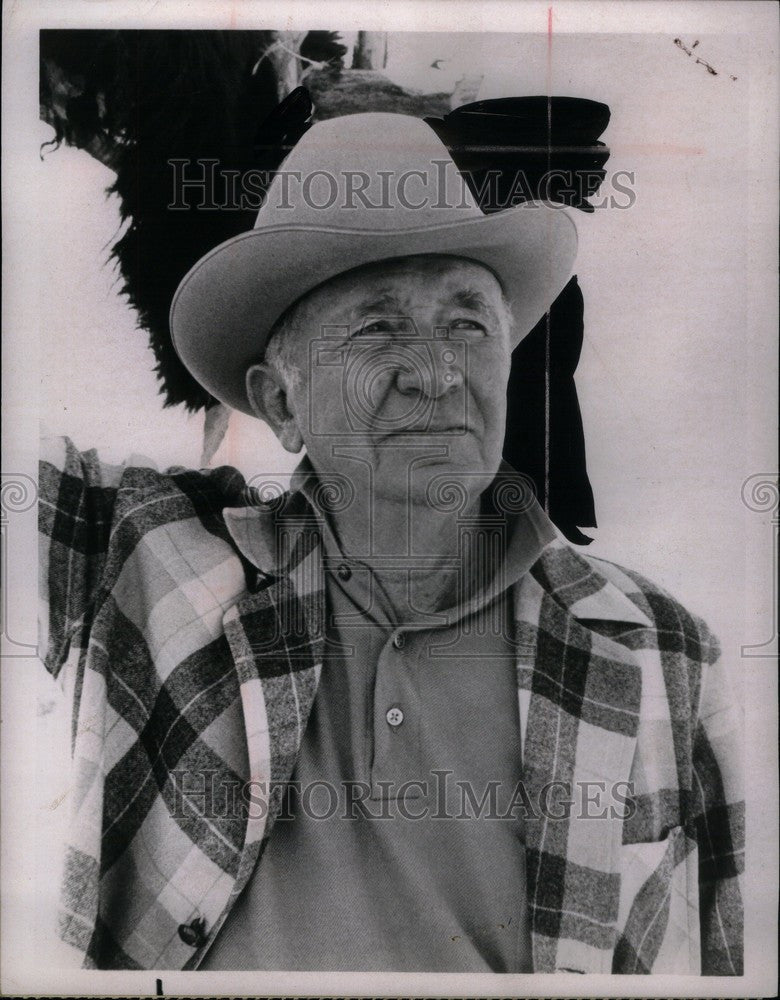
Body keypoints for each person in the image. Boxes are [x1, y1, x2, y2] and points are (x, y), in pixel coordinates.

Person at [39, 112, 743, 974]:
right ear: (282, 404)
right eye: (377, 329)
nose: (437, 371)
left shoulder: (664, 652)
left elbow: (724, 957)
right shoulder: (141, 561)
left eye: (469, 325)